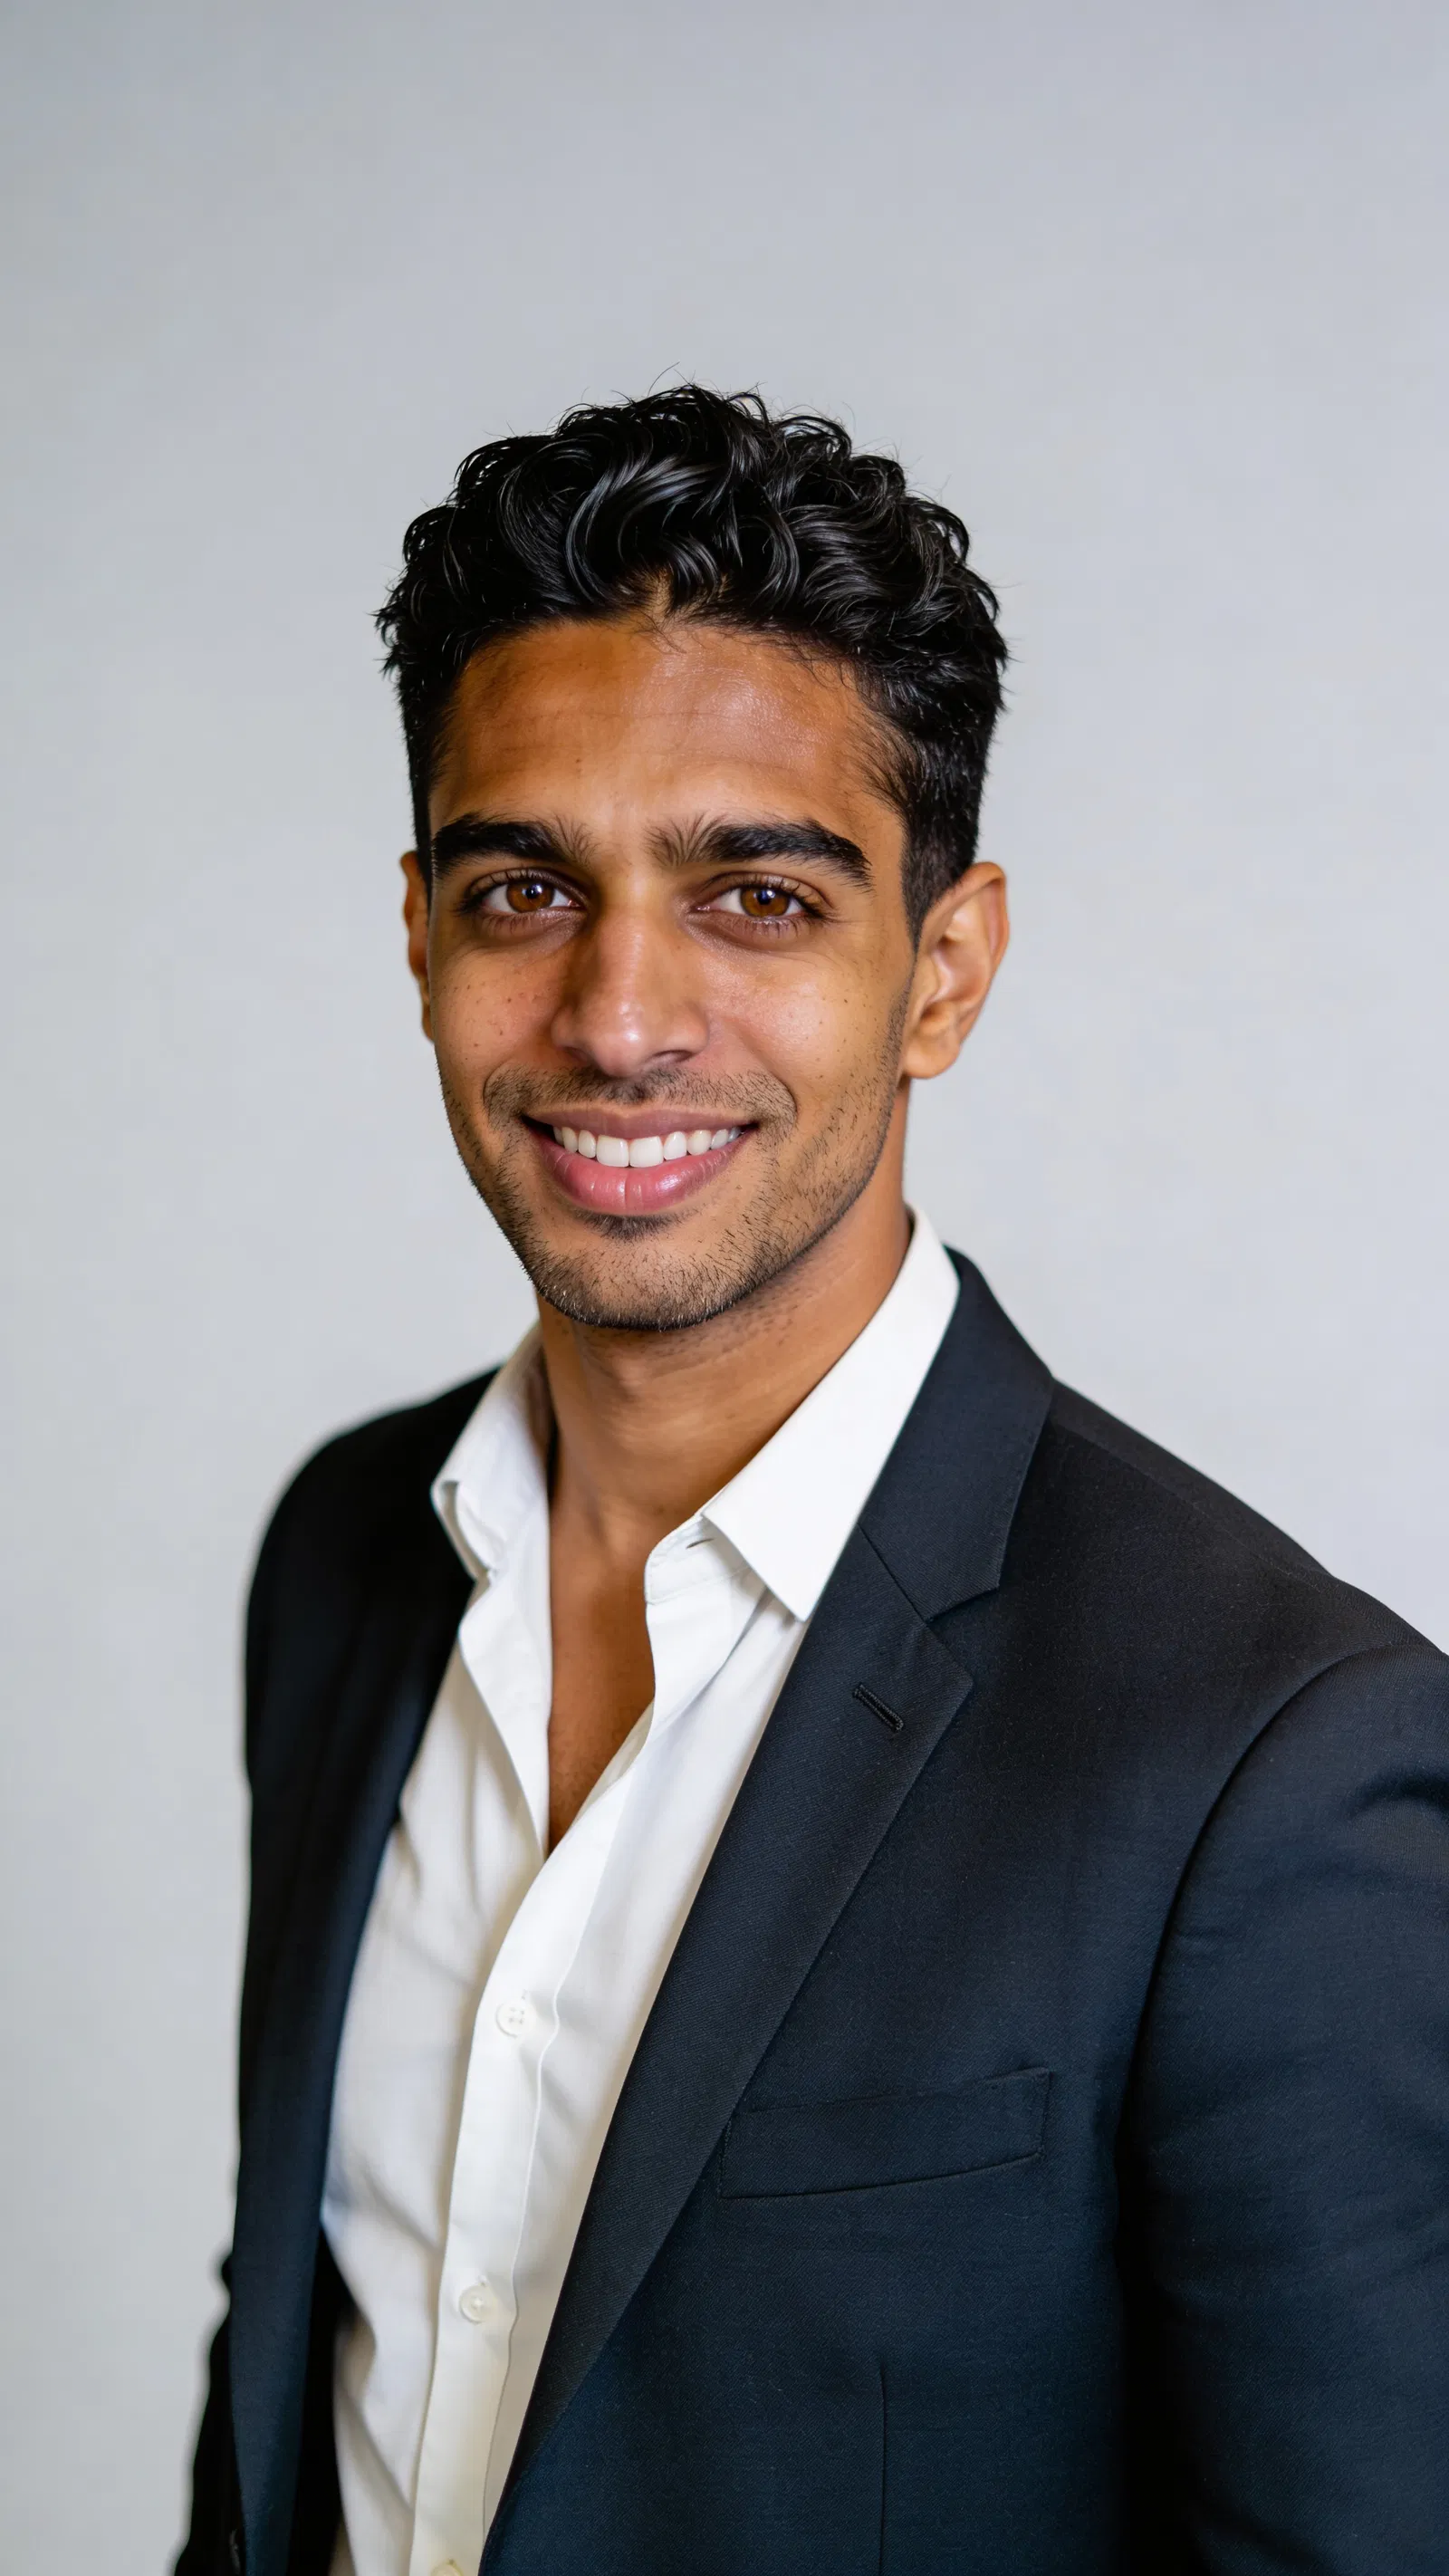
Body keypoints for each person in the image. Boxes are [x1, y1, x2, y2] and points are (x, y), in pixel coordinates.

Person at [177, 388, 1449, 2576]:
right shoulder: (345, 1562)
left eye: (753, 895)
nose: (616, 1015)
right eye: (522, 887)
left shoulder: (1270, 1764)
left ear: (937, 973)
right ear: (416, 935)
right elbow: (313, 2379)